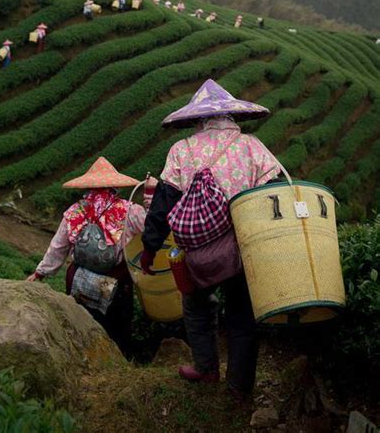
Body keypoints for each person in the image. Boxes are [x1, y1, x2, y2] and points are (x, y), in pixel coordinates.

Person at [140, 79, 280, 397]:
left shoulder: (183, 150)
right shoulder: (253, 147)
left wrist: (150, 249)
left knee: (195, 304)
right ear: (231, 118)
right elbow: (273, 197)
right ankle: (239, 387)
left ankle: (205, 369)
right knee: (242, 316)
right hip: (244, 248)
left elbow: (163, 204)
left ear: (198, 119)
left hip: (198, 251)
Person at [27, 157, 153, 355]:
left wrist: (40, 273)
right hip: (114, 281)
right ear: (114, 186)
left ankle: (82, 357)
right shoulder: (129, 211)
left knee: (82, 322)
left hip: (79, 278)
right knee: (115, 328)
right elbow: (153, 228)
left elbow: (58, 247)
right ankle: (118, 362)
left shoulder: (75, 211)